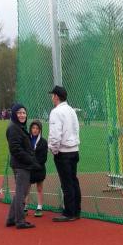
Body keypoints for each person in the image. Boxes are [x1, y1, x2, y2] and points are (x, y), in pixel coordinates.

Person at [48, 85, 81, 222]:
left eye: (52, 95)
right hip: (74, 150)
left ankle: (69, 212)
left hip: (63, 152)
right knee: (73, 181)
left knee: (66, 183)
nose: (52, 98)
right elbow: (76, 129)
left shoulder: (56, 112)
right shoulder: (72, 110)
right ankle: (76, 210)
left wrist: (54, 149)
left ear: (56, 96)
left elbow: (55, 134)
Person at [5, 104, 41, 230]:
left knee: (20, 192)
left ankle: (11, 218)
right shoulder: (14, 128)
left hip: (23, 165)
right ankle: (20, 220)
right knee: (21, 193)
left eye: (24, 113)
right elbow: (16, 150)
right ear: (14, 114)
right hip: (21, 166)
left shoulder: (19, 127)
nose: (22, 115)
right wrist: (31, 161)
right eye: (19, 113)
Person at [27, 119, 48, 217]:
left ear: (40, 130)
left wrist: (35, 164)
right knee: (27, 189)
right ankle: (25, 206)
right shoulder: (27, 140)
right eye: (33, 128)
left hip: (39, 169)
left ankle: (39, 207)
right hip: (29, 169)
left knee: (39, 188)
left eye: (37, 128)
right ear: (30, 129)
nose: (35, 130)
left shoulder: (43, 142)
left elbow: (43, 158)